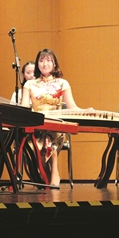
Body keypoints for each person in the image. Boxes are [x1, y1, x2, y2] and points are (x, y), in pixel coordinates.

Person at [21, 49, 81, 187]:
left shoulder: (62, 83)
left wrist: (86, 110)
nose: (44, 63)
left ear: (54, 64)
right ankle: (47, 175)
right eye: (41, 60)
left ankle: (53, 169)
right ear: (37, 64)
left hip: (55, 125)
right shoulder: (29, 84)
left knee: (49, 137)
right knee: (31, 144)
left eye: (48, 60)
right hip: (37, 125)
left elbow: (72, 107)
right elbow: (24, 107)